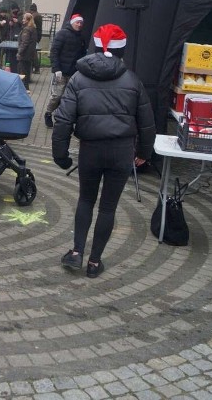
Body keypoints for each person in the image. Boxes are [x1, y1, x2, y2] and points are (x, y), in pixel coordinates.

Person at [52, 24, 156, 278]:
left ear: (96, 46)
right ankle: (95, 263)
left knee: (86, 200)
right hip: (121, 152)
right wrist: (144, 151)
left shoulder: (78, 78)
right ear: (123, 50)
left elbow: (64, 120)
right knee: (108, 207)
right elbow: (146, 121)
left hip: (90, 151)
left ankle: (77, 252)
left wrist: (61, 154)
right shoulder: (133, 80)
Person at [44, 13, 87, 128]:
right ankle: (48, 113)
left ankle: (64, 117)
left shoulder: (81, 37)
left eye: (81, 23)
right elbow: (54, 52)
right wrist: (56, 69)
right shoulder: (62, 34)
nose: (79, 25)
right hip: (61, 72)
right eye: (77, 22)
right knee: (57, 95)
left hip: (74, 72)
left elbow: (83, 54)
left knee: (70, 97)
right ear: (72, 23)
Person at [16, 12, 38, 90]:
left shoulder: (27, 30)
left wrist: (19, 52)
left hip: (24, 55)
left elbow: (24, 43)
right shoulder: (33, 28)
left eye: (24, 19)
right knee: (26, 71)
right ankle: (26, 88)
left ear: (28, 20)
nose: (22, 20)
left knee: (22, 72)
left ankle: (23, 88)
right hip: (30, 54)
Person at [29, 3, 44, 74]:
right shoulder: (38, 15)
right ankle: (34, 68)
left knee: (33, 52)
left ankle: (36, 68)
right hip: (37, 35)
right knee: (33, 52)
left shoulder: (34, 16)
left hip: (34, 36)